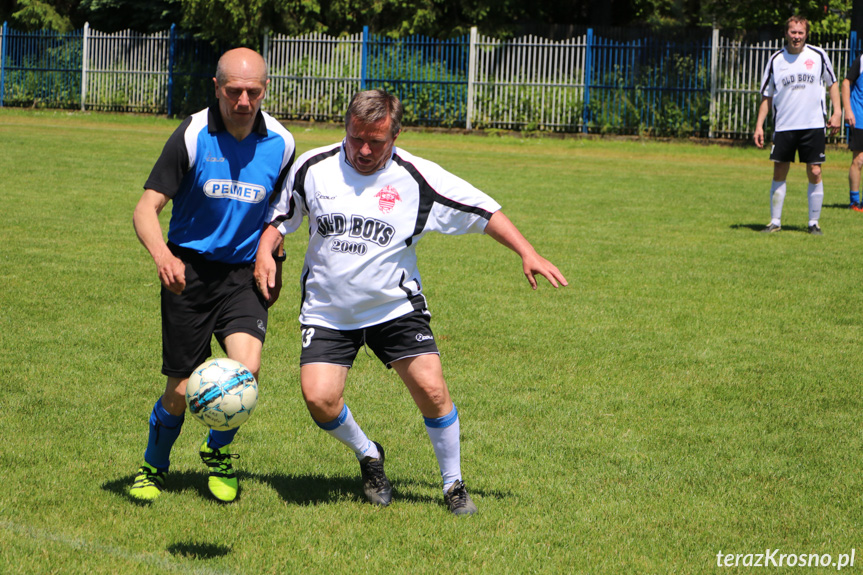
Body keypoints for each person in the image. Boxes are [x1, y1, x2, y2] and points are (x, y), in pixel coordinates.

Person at [255, 89, 568, 516]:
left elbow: (482, 210)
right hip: (329, 311)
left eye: (376, 141)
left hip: (394, 309)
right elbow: (281, 217)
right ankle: (369, 455)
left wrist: (527, 252)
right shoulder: (313, 167)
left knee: (433, 390)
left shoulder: (418, 177)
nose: (364, 150)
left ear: (396, 135)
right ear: (345, 128)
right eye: (355, 137)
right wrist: (264, 250)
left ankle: (453, 484)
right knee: (319, 400)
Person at [129, 47, 296, 503]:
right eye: (234, 91)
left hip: (244, 273)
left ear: (265, 89)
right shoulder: (193, 132)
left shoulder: (282, 143)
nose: (243, 101)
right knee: (181, 390)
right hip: (189, 272)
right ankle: (153, 466)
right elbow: (146, 208)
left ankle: (217, 452)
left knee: (246, 372)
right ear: (217, 87)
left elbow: (280, 215)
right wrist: (163, 255)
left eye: (253, 91)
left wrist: (271, 252)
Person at [753, 15, 841, 235]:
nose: (797, 36)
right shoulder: (775, 60)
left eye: (801, 32)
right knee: (779, 171)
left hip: (813, 125)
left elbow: (833, 84)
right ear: (786, 33)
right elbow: (767, 96)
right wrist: (759, 126)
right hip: (784, 125)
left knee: (815, 171)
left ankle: (813, 223)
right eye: (793, 32)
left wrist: (837, 111)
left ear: (806, 34)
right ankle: (774, 221)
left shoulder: (819, 55)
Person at [842, 51, 863, 211]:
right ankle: (854, 202)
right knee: (859, 160)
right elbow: (846, 83)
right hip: (860, 117)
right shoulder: (861, 60)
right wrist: (848, 110)